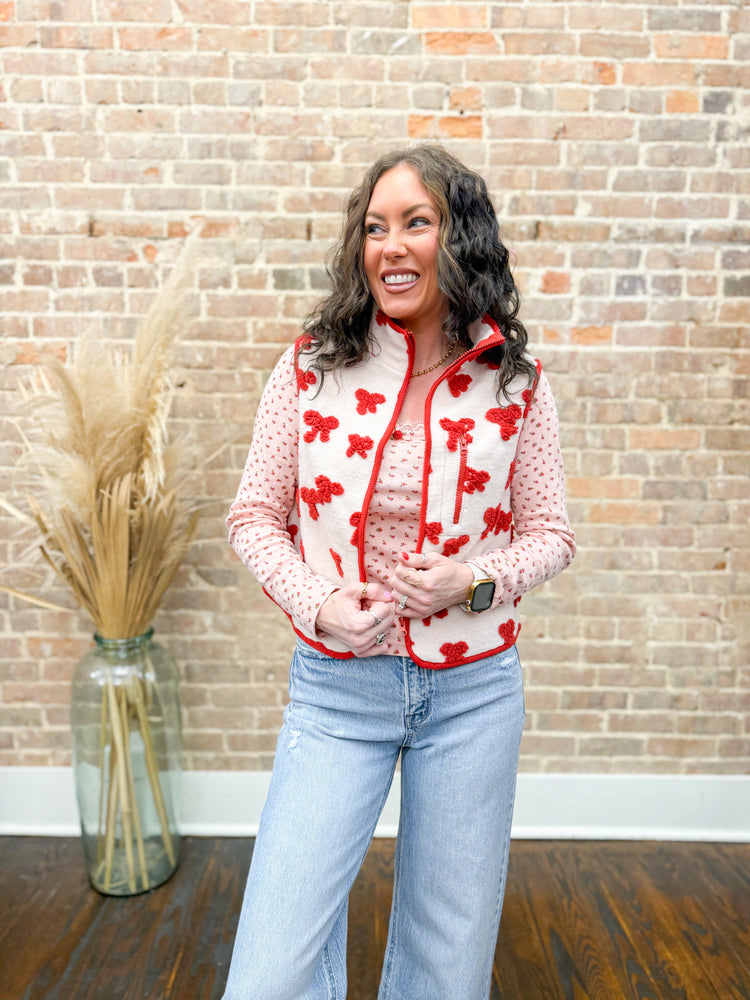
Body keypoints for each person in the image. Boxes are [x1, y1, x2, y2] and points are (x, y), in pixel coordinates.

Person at [222, 144, 575, 1000]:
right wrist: (318, 602)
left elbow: (552, 536)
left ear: (460, 241)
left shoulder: (515, 383)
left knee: (447, 964)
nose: (391, 246)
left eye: (417, 222)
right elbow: (253, 519)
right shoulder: (310, 367)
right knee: (272, 967)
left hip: (474, 692)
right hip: (338, 688)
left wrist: (472, 581)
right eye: (375, 228)